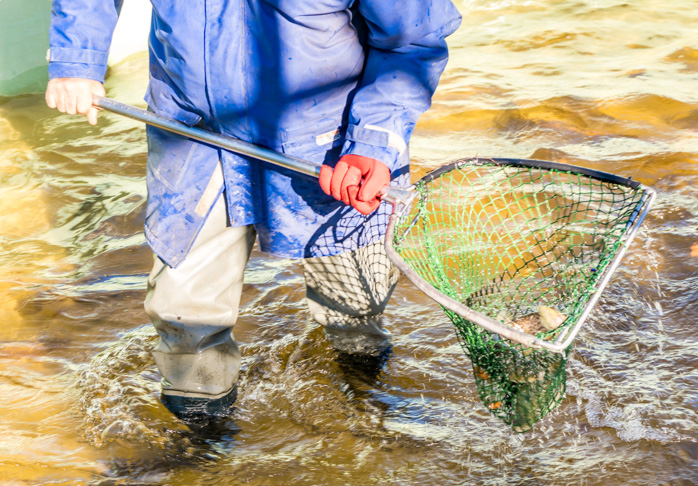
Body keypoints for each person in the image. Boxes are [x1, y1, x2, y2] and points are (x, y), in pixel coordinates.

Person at [45, 1, 461, 421]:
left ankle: (366, 414)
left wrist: (373, 141)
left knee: (356, 306)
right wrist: (76, 59)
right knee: (185, 309)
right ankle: (197, 452)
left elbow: (414, 39)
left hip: (335, 146)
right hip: (193, 135)